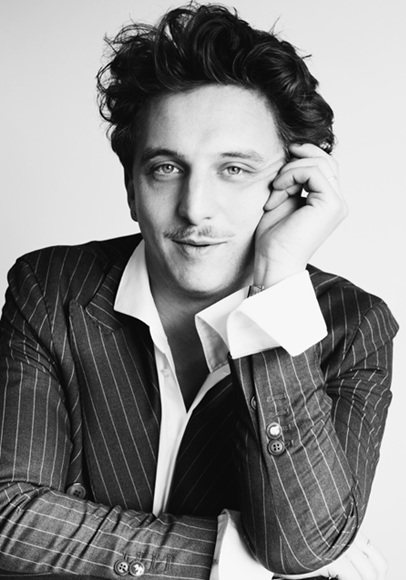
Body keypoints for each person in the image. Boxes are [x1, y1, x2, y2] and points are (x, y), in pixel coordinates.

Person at [0, 3, 398, 579]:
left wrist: (277, 284)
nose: (195, 208)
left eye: (234, 169)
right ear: (131, 187)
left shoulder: (353, 326)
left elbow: (302, 549)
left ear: (293, 185)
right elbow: (10, 516)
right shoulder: (52, 287)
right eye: (166, 168)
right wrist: (226, 559)